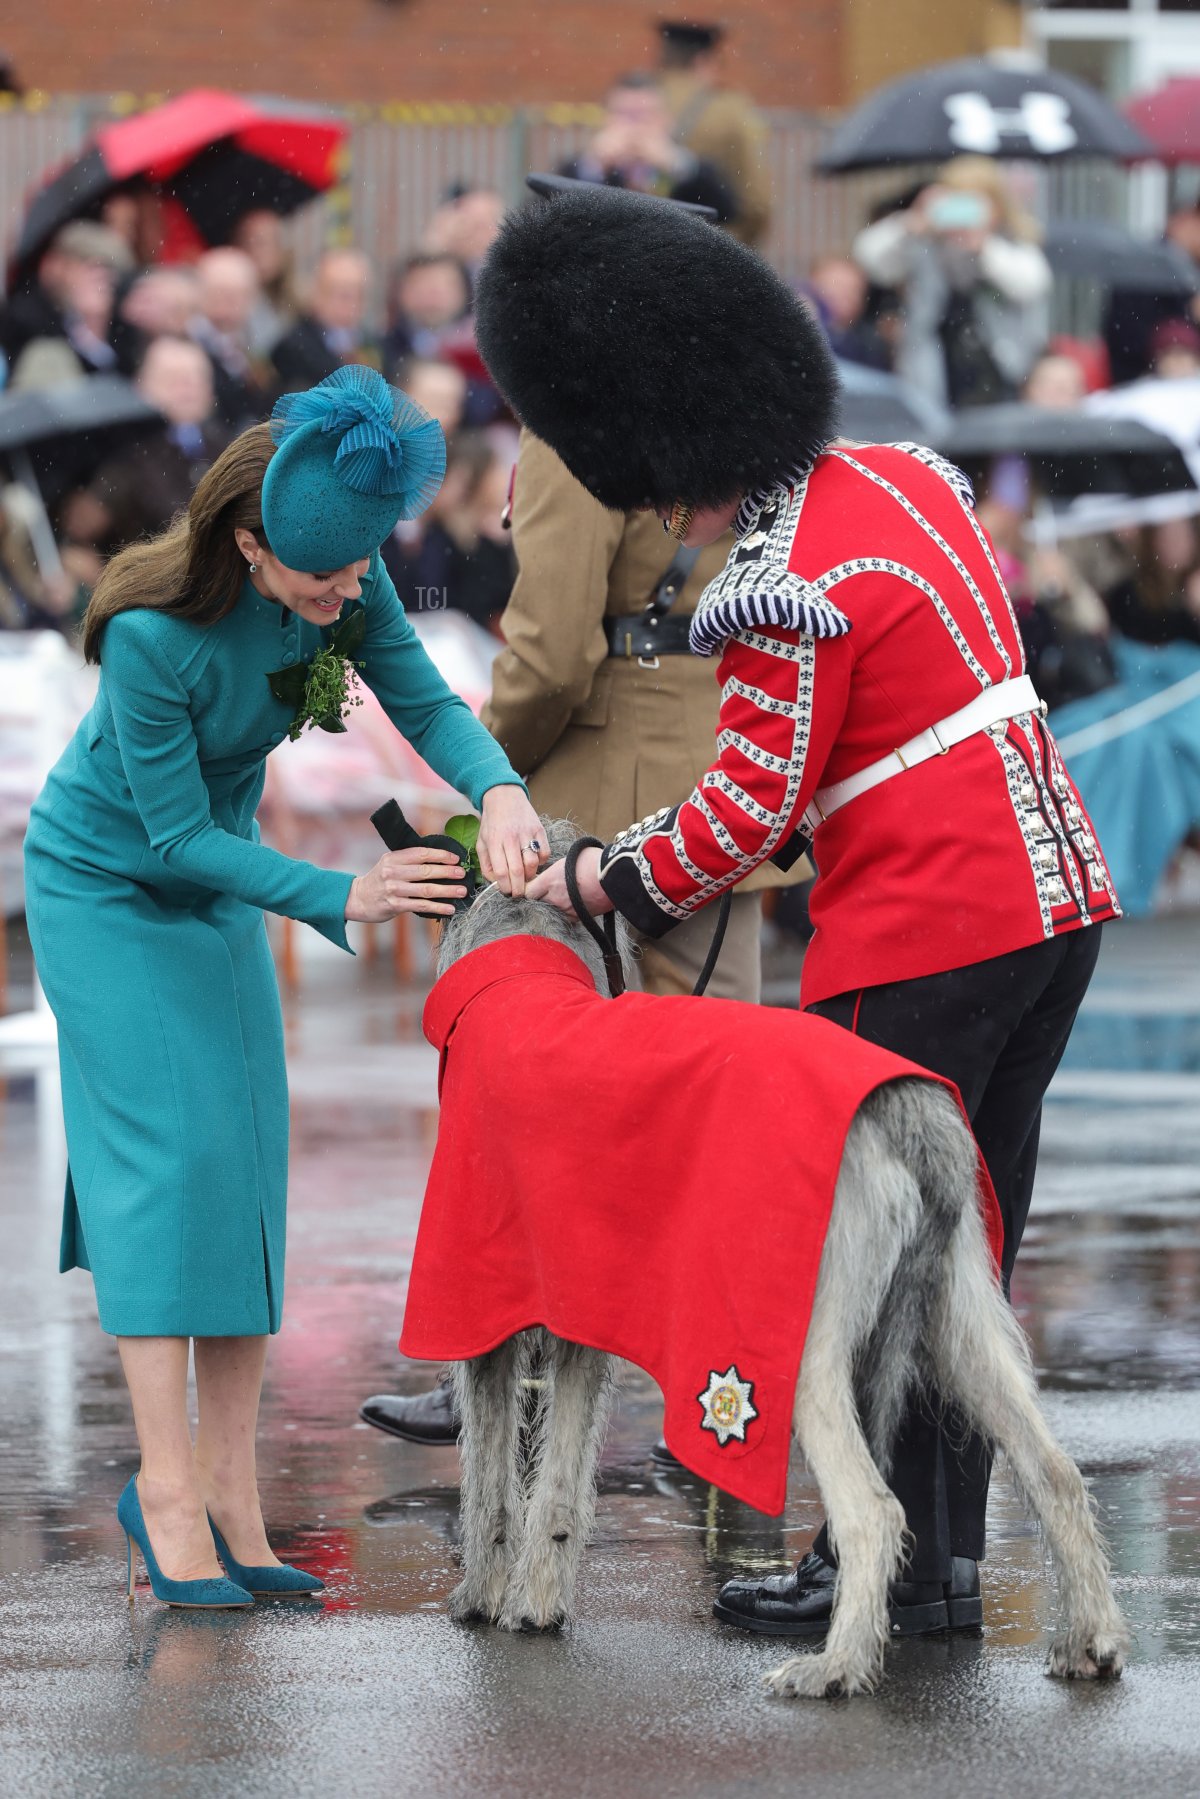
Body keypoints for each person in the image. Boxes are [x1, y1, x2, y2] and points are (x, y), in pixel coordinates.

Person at [475, 181, 1120, 1638]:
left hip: (928, 922)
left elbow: (747, 816)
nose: (660, 510)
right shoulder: (905, 476)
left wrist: (598, 873)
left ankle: (875, 1568)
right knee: (975, 1233)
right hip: (1056, 892)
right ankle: (947, 1565)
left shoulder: (775, 584)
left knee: (878, 1250)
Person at [23, 365, 543, 1609]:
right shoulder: (149, 635)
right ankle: (161, 1492)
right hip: (106, 888)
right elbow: (164, 835)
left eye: (361, 573)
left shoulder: (342, 588)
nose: (350, 597)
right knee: (164, 1165)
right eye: (324, 583)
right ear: (250, 548)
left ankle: (234, 1493)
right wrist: (340, 895)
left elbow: (425, 702)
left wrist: (503, 788)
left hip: (218, 877)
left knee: (246, 1162)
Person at [362, 416, 804, 1448]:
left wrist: (480, 772)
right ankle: (726, 1399)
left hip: (600, 790)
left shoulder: (574, 429)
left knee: (536, 1105)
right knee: (712, 1106)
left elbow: (553, 654)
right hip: (714, 765)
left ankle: (510, 1368)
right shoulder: (729, 409)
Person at [853, 157, 1052, 410]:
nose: (962, 215)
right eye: (956, 204)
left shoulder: (1009, 240)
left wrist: (984, 247)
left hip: (1001, 372)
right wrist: (911, 223)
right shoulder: (925, 241)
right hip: (933, 371)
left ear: (996, 206)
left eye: (972, 204)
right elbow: (870, 259)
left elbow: (1032, 285)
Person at [64, 336, 232, 561]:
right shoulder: (123, 455)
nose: (186, 390)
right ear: (141, 386)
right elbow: (83, 525)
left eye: (195, 379)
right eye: (172, 380)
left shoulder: (226, 446)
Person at [560, 71, 736, 225]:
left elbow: (726, 214)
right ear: (606, 119)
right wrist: (595, 166)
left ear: (667, 120)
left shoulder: (692, 169)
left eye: (645, 114)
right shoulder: (577, 169)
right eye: (624, 114)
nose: (635, 126)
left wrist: (676, 165)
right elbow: (550, 212)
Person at [656, 19, 771, 248]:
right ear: (704, 60)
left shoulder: (632, 104)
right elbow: (757, 205)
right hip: (707, 249)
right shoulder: (730, 111)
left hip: (638, 252)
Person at [271, 249, 380, 393]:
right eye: (341, 293)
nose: (351, 303)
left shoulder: (374, 344)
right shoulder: (294, 347)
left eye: (358, 293)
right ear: (317, 293)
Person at [188, 247, 269, 432]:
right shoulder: (188, 343)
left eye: (240, 294)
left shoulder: (248, 343)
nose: (230, 302)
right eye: (220, 292)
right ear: (200, 292)